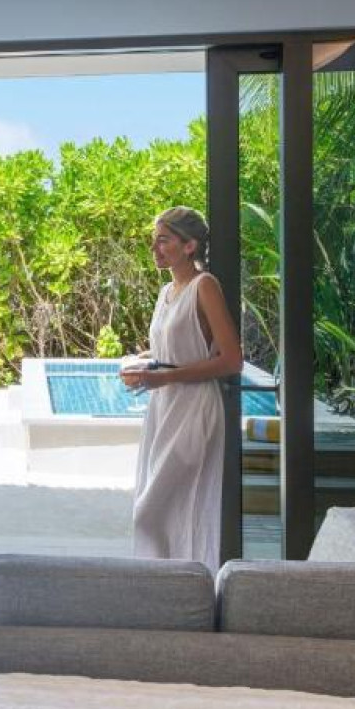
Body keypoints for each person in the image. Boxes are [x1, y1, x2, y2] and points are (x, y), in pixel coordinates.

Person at [119, 207, 242, 570]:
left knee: (152, 512)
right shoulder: (166, 292)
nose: (154, 248)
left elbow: (232, 360)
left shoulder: (205, 287)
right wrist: (142, 362)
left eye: (163, 240)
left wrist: (165, 378)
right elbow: (170, 351)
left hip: (194, 408)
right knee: (164, 510)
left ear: (189, 246)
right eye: (153, 240)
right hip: (164, 408)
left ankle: (185, 581)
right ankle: (167, 586)